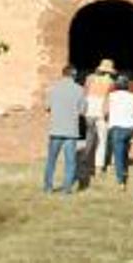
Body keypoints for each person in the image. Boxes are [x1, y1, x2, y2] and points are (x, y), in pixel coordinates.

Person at [43, 65, 86, 194]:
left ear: (63, 74)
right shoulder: (79, 90)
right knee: (70, 162)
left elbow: (47, 107)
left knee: (51, 160)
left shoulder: (54, 88)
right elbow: (83, 110)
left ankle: (48, 187)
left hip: (56, 129)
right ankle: (66, 188)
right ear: (74, 75)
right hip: (71, 130)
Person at [80, 58, 116, 183]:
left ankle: (86, 164)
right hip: (101, 111)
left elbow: (84, 94)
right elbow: (108, 99)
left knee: (90, 138)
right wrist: (106, 112)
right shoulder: (111, 82)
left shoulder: (90, 78)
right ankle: (98, 167)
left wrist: (82, 109)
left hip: (89, 110)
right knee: (102, 139)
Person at [105, 73, 133, 190]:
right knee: (124, 152)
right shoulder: (132, 96)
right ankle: (125, 170)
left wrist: (107, 119)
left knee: (118, 154)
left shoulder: (111, 96)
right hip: (130, 127)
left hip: (117, 127)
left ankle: (121, 181)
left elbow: (106, 111)